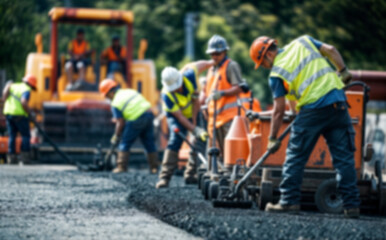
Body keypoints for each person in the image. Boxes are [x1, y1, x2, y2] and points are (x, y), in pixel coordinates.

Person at [249, 35, 360, 218]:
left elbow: (278, 110)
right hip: (338, 104)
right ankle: (351, 206)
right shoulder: (303, 41)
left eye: (263, 63)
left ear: (268, 54)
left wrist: (273, 138)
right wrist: (343, 70)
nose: (265, 67)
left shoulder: (276, 74)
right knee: (344, 160)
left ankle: (288, 202)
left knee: (295, 157)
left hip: (314, 109)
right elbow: (331, 50)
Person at [155, 60, 214, 189]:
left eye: (178, 86)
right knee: (175, 140)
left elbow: (202, 65)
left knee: (200, 140)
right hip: (177, 117)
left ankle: (190, 175)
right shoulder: (167, 96)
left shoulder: (189, 75)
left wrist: (213, 62)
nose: (178, 89)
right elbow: (180, 118)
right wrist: (194, 129)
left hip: (193, 111)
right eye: (174, 88)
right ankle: (164, 178)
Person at [203, 35, 255, 156]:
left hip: (229, 118)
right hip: (214, 119)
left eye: (218, 53)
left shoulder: (231, 66)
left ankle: (231, 173)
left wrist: (222, 93)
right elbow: (207, 91)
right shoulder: (211, 69)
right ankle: (216, 174)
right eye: (212, 54)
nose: (214, 56)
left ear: (225, 52)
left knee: (230, 153)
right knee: (214, 155)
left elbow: (239, 88)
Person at [99, 79, 159, 174]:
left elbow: (120, 122)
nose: (107, 98)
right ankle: (154, 168)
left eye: (106, 95)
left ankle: (121, 167)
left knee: (125, 143)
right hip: (149, 114)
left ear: (110, 93)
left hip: (136, 118)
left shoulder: (115, 103)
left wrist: (116, 136)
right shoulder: (129, 91)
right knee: (149, 142)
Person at [2, 74, 37, 164]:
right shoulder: (26, 89)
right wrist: (30, 113)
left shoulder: (13, 86)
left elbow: (4, 96)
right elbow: (24, 102)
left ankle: (11, 158)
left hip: (9, 113)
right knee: (25, 136)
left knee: (12, 135)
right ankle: (25, 159)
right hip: (20, 115)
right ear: (31, 84)